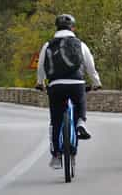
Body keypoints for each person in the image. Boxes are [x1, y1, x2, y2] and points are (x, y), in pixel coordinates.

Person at [36, 14, 102, 169]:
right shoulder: (80, 44)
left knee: (56, 120)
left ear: (56, 28)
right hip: (76, 83)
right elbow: (90, 66)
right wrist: (96, 83)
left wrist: (40, 83)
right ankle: (81, 122)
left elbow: (41, 66)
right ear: (73, 28)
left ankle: (57, 156)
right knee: (79, 101)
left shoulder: (48, 45)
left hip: (56, 85)